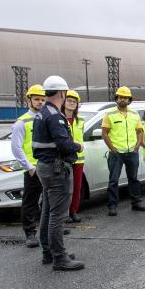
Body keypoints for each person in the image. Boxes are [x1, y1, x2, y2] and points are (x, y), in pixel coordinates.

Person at [32, 75, 84, 271]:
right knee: (57, 214)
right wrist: (77, 146)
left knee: (47, 211)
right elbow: (64, 144)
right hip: (56, 168)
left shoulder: (42, 112)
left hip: (45, 166)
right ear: (62, 93)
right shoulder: (54, 116)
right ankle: (59, 257)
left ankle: (49, 252)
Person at [101, 86, 145, 216]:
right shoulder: (109, 114)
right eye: (121, 97)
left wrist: (137, 146)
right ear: (116, 98)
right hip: (116, 154)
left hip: (132, 152)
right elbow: (104, 133)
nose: (123, 100)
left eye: (126, 98)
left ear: (129, 100)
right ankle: (112, 206)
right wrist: (112, 149)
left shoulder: (134, 114)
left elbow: (139, 132)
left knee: (133, 179)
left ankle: (136, 203)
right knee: (113, 180)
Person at [11, 84, 47, 247]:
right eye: (36, 99)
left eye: (42, 99)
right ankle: (30, 233)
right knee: (30, 202)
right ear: (29, 101)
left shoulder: (46, 118)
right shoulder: (22, 122)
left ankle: (49, 228)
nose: (40, 102)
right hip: (33, 169)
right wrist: (29, 167)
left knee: (50, 200)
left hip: (48, 166)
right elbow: (16, 148)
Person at [63, 89, 85, 223]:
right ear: (64, 102)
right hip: (64, 158)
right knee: (64, 189)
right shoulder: (59, 119)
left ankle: (73, 211)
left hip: (79, 158)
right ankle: (64, 214)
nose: (71, 103)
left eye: (74, 102)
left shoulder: (80, 120)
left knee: (77, 187)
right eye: (69, 101)